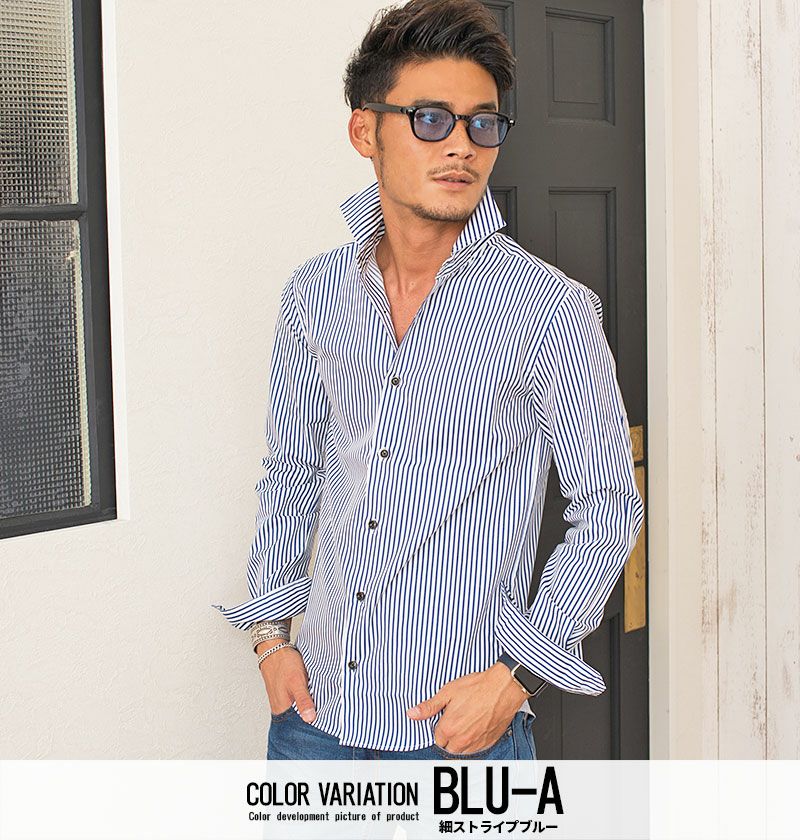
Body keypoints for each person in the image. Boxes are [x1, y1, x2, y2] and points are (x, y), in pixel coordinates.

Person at [213, 0, 644, 761]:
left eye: (483, 124)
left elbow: (609, 508)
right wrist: (270, 640)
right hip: (313, 721)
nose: (462, 146)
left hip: (459, 735)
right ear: (364, 132)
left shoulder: (551, 309)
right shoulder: (315, 294)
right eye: (431, 119)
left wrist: (517, 677)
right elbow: (292, 474)